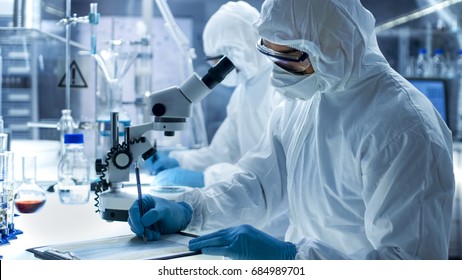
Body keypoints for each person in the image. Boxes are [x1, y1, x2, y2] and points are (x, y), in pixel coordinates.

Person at [129, 0, 455, 259]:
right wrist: (190, 209)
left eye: (288, 58)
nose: (277, 75)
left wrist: (291, 258)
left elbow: (407, 264)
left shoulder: (403, 126)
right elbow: (259, 182)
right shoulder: (305, 98)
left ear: (332, 47)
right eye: (270, 55)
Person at [147, 1, 282, 190]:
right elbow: (223, 152)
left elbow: (271, 172)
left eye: (217, 61)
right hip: (255, 207)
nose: (214, 70)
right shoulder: (242, 93)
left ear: (235, 51)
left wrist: (206, 179)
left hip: (277, 215)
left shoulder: (280, 88)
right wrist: (178, 160)